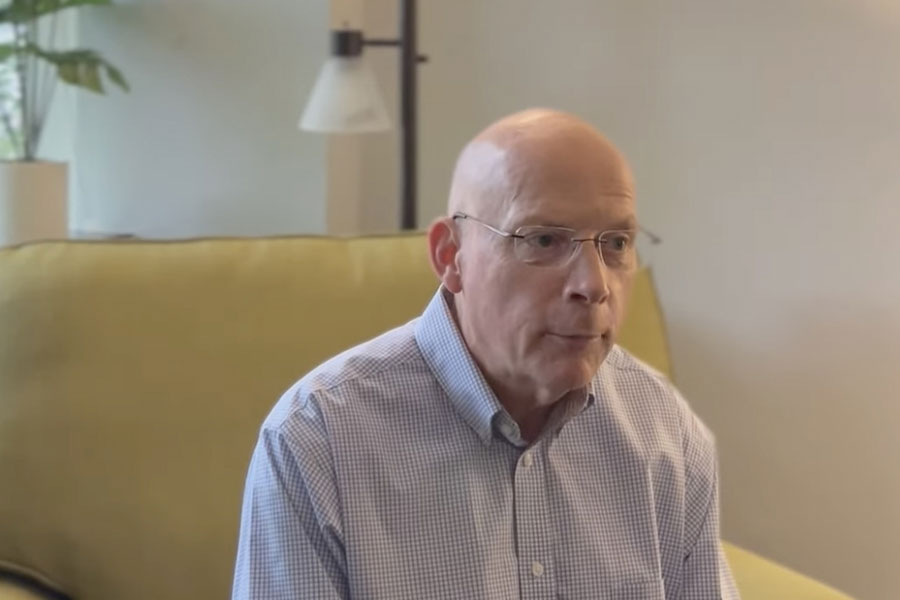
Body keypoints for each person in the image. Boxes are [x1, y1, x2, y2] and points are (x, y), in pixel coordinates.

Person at [232, 108, 739, 599]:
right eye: (543, 239)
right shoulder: (317, 440)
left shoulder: (665, 433)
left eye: (616, 243)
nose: (594, 285)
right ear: (451, 256)